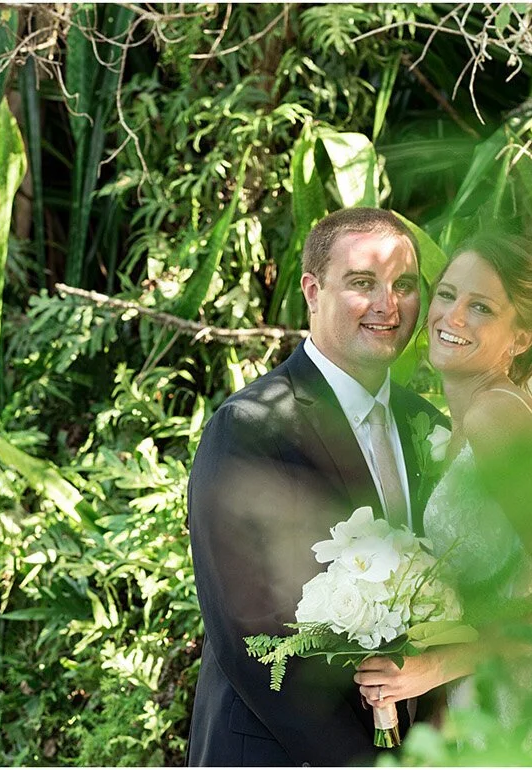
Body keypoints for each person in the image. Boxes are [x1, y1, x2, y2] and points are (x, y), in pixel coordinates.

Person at [185, 207, 448, 766]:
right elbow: (249, 641)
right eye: (361, 283)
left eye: (403, 285)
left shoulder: (432, 427)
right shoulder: (251, 426)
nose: (387, 305)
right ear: (312, 289)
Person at [350, 233, 532, 721]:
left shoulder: (497, 420)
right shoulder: (457, 425)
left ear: (521, 337)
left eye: (481, 307)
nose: (453, 316)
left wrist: (435, 666)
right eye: (446, 295)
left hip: (526, 699)